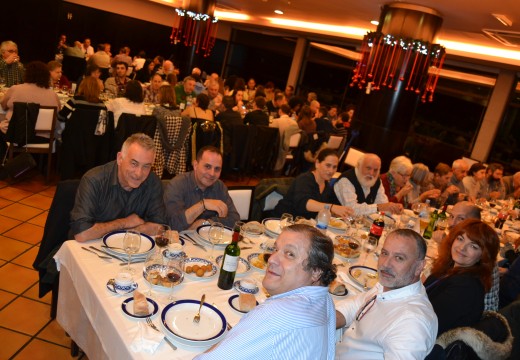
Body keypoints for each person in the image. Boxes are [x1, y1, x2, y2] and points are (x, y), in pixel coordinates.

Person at [195, 224, 337, 360]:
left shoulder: (274, 315)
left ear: (316, 272)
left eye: (290, 254)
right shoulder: (325, 299)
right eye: (275, 249)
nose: (272, 259)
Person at [336, 229, 437, 359]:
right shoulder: (391, 285)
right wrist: (323, 319)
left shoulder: (412, 323)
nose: (385, 264)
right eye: (385, 253)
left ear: (419, 267)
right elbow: (355, 305)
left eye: (399, 258)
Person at [70, 133, 166, 242]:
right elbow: (81, 234)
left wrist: (132, 230)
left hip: (130, 248)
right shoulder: (94, 181)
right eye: (134, 163)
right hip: (87, 248)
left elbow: (159, 227)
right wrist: (124, 223)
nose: (139, 173)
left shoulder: (153, 183)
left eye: (146, 166)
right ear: (120, 158)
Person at [424, 219, 499, 336]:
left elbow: (426, 324)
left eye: (473, 246)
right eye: (460, 239)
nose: (462, 248)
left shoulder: (465, 287)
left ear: (483, 256)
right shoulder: (449, 267)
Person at [163, 146, 240, 230]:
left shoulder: (220, 186)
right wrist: (202, 205)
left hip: (210, 240)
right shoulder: (177, 184)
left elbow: (235, 220)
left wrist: (206, 223)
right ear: (195, 165)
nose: (212, 173)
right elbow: (172, 224)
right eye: (207, 166)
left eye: (217, 169)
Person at [274, 148, 353, 219]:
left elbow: (332, 206)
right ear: (317, 163)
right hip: (283, 221)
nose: (331, 171)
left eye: (334, 167)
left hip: (303, 226)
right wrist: (332, 208)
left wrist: (340, 213)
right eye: (328, 165)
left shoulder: (327, 187)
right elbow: (305, 204)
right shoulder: (305, 179)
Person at [334, 153, 404, 216]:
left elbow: (384, 205)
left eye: (375, 170)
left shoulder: (377, 181)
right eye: (368, 168)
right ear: (358, 166)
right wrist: (380, 207)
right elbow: (351, 210)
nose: (371, 173)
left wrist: (394, 208)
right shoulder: (346, 180)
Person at [1, 61, 60, 133]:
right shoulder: (53, 94)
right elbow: (58, 112)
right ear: (46, 75)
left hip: (16, 135)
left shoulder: (15, 89)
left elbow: (3, 105)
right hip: (43, 137)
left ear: (27, 74)